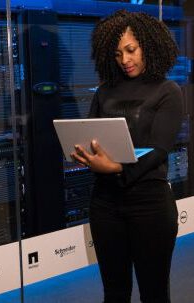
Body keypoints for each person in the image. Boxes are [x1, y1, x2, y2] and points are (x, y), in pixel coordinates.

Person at [71, 10, 183, 303]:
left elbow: (160, 148)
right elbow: (89, 134)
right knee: (115, 292)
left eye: (131, 50)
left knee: (154, 293)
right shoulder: (104, 92)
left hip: (151, 206)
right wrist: (84, 154)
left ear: (149, 45)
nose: (125, 60)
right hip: (105, 205)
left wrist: (116, 167)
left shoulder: (168, 90)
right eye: (118, 53)